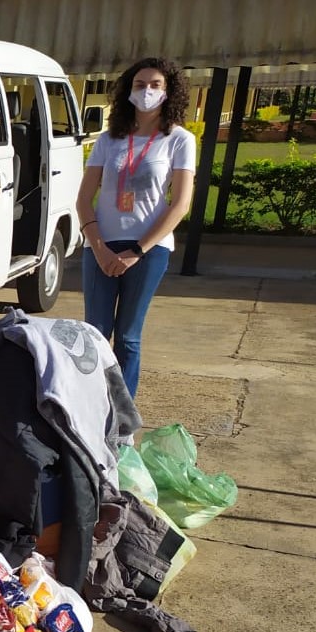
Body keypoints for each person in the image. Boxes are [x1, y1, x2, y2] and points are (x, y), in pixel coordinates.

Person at [77, 57, 195, 399]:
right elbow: (84, 199)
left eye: (156, 85)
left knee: (128, 337)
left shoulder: (179, 140)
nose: (147, 91)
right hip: (101, 245)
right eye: (140, 85)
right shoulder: (109, 140)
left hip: (148, 250)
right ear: (128, 90)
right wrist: (99, 247)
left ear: (169, 92)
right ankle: (90, 405)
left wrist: (137, 251)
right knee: (95, 332)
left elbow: (180, 204)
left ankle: (122, 413)